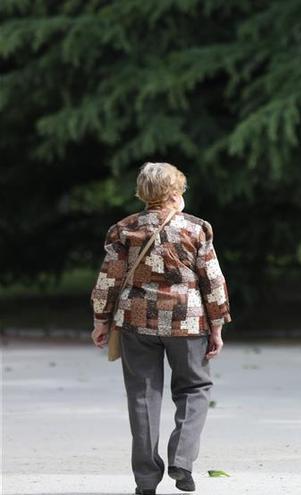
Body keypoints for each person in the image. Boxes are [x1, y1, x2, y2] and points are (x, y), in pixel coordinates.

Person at [90, 162, 231, 495]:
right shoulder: (197, 229)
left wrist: (100, 319)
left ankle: (145, 481)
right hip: (188, 321)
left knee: (142, 395)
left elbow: (108, 279)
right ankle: (181, 460)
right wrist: (217, 326)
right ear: (173, 192)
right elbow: (213, 280)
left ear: (144, 193)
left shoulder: (124, 229)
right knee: (195, 388)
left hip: (136, 322)